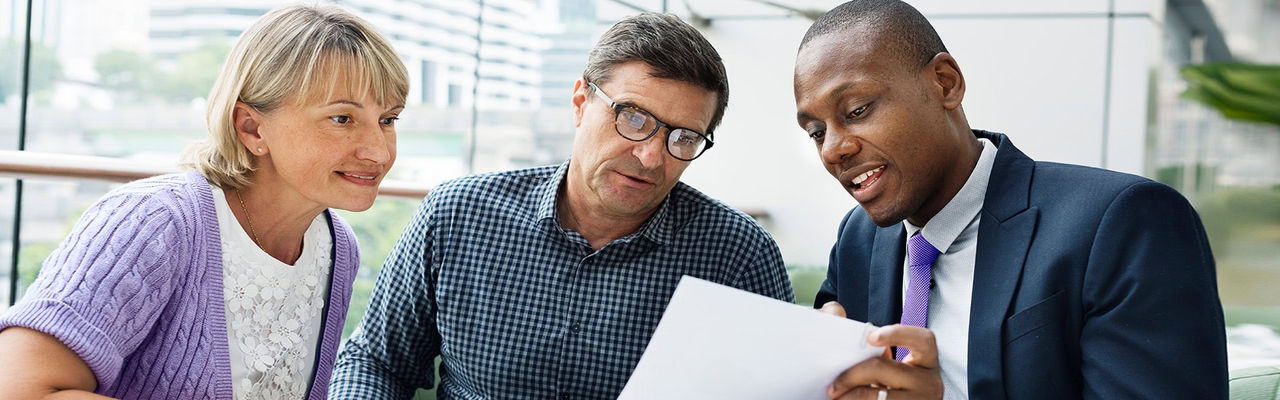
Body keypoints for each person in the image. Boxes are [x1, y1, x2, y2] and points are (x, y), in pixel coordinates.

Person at [329, 12, 794, 399]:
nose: (651, 156)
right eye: (633, 117)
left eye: (683, 137)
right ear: (579, 102)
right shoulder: (457, 215)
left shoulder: (738, 256)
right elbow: (375, 362)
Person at [792, 1, 1227, 399]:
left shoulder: (1123, 223)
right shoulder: (858, 239)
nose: (832, 149)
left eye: (857, 110)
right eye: (816, 133)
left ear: (945, 84)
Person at [0, 5, 408, 399]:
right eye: (342, 119)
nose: (378, 151)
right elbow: (18, 387)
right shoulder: (154, 223)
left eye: (387, 120)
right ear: (251, 128)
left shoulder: (338, 248)